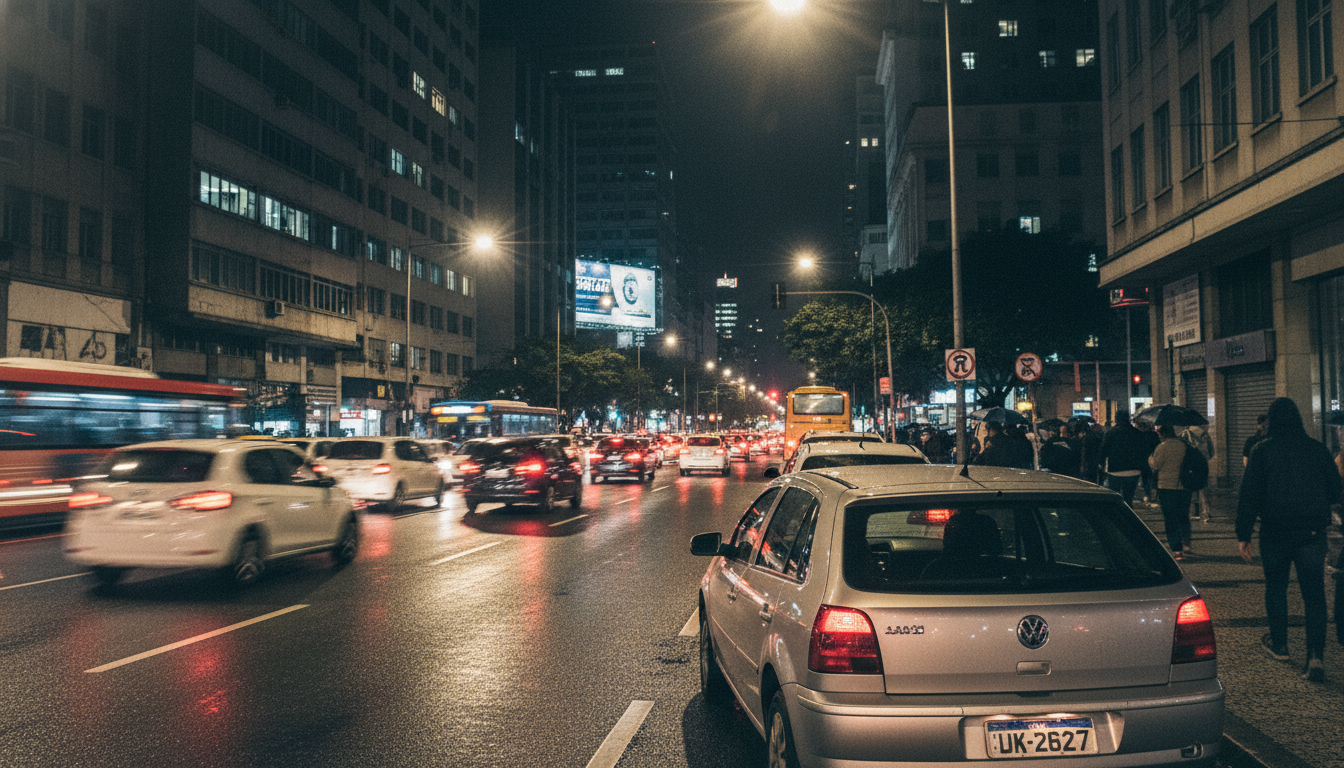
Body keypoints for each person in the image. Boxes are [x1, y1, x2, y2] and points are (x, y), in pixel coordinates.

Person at [1236, 397, 1340, 683]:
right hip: (1312, 533)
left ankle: (1280, 644)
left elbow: (1250, 495)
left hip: (1276, 531)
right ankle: (1315, 655)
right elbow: (1335, 491)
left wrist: (1243, 534)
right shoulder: (1317, 449)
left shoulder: (1262, 451)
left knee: (1276, 587)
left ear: (1271, 421)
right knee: (1314, 594)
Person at [1149, 424, 1193, 560]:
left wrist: (1150, 458)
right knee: (1183, 515)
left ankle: (1176, 549)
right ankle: (1186, 542)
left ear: (1162, 435)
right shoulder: (1184, 445)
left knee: (1170, 518)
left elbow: (1156, 465)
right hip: (1184, 486)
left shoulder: (1162, 447)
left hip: (1166, 487)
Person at [1097, 410, 1150, 507]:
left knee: (1114, 500)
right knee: (1128, 498)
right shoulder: (1138, 433)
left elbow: (1103, 450)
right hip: (1134, 470)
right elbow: (1144, 452)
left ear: (1116, 419)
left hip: (1115, 470)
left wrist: (1101, 464)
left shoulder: (1110, 433)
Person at [1182, 424, 1216, 522]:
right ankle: (1206, 513)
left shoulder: (1185, 434)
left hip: (1190, 464)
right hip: (1203, 464)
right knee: (1203, 489)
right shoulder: (1205, 434)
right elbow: (1211, 451)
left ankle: (1193, 512)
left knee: (1189, 489)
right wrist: (1204, 459)